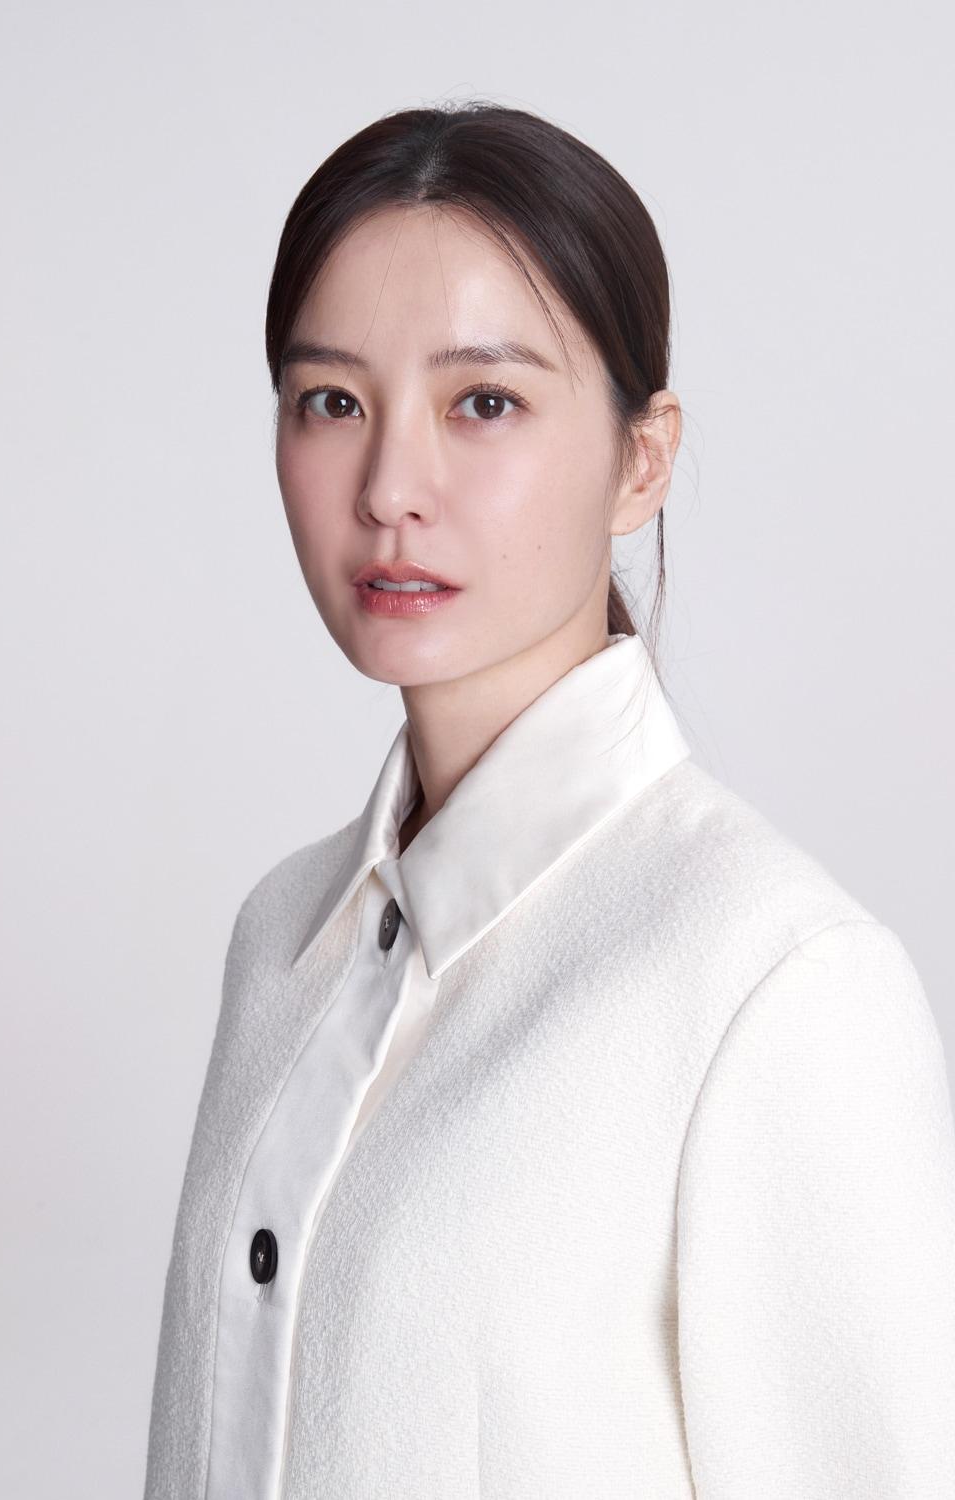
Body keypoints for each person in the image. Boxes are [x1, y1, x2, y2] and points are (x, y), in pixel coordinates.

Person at [143, 102, 955, 1499]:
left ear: (643, 458)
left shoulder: (773, 981)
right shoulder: (280, 937)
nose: (391, 488)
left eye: (485, 403)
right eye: (332, 401)